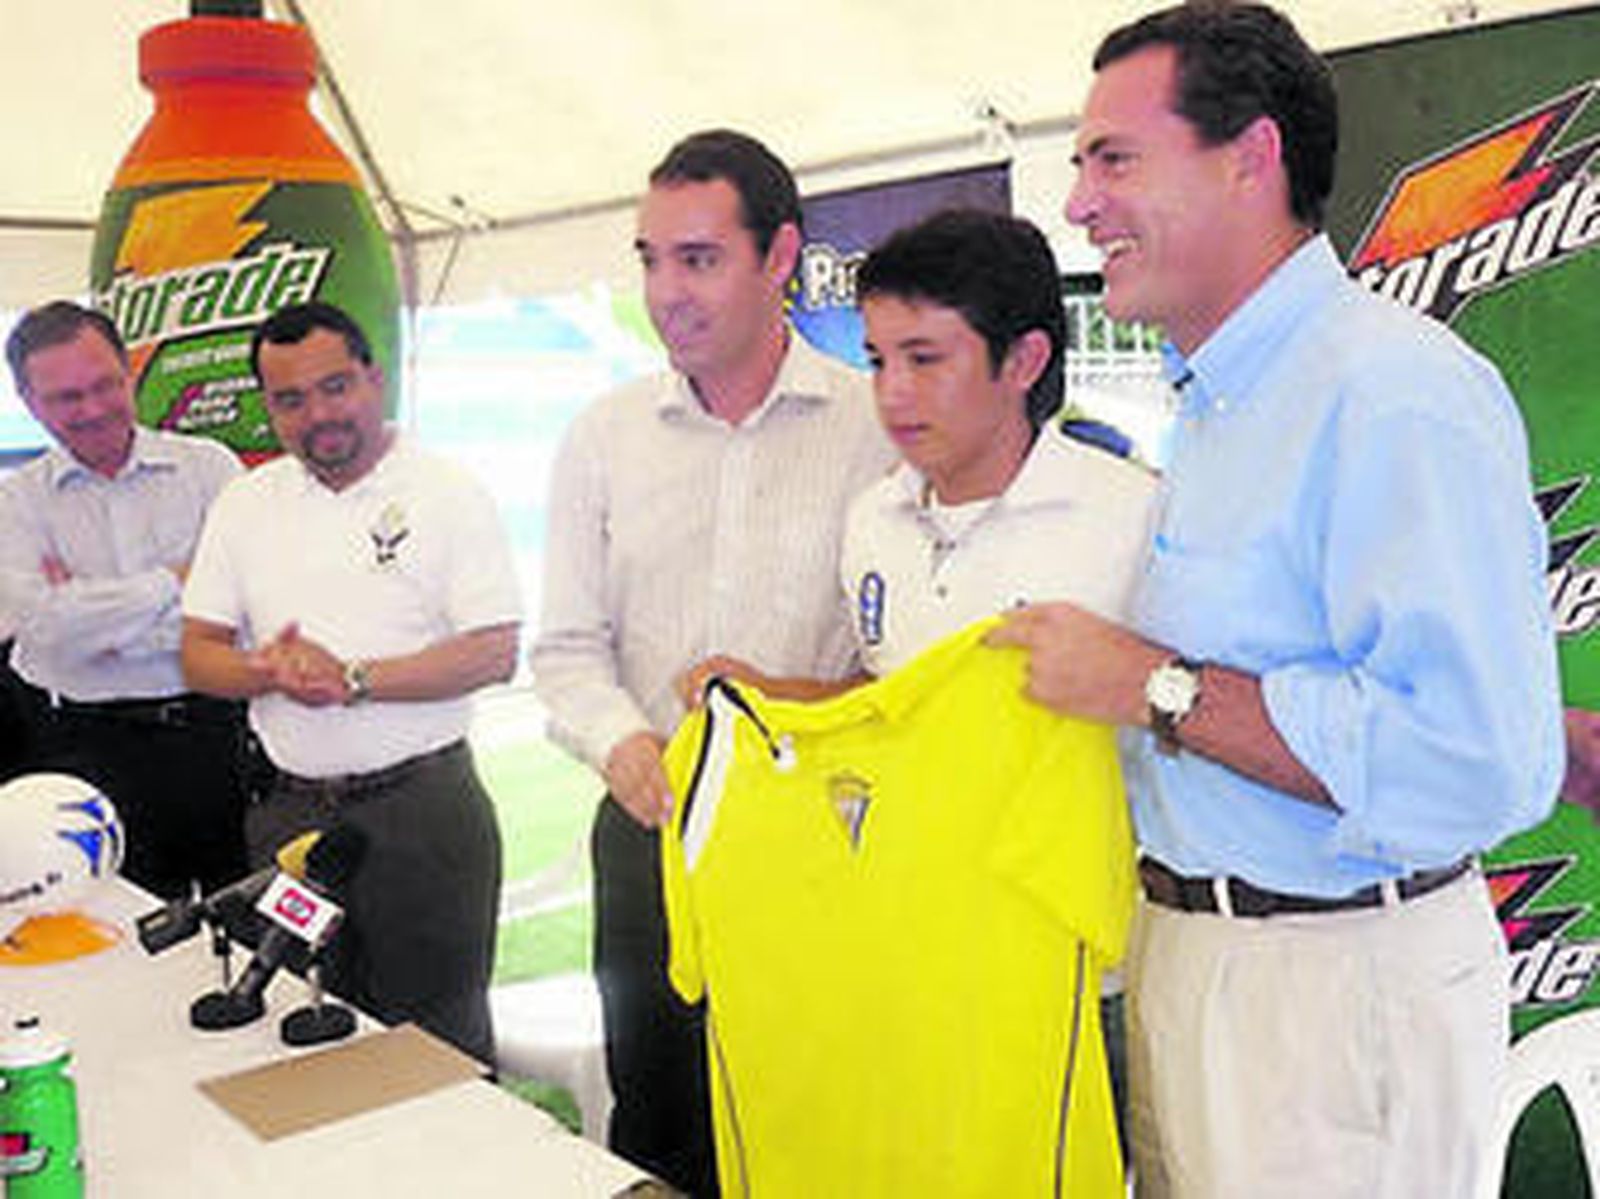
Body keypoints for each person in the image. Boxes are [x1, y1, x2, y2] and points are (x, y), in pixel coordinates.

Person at [988, 5, 1564, 1197]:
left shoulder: (1393, 393)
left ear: (1250, 157)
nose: (1079, 204)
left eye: (1113, 158)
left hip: (1336, 991)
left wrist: (1151, 686)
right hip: (1203, 962)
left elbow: (1475, 759)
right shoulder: (1219, 402)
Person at [679, 206, 1158, 1167]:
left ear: (1023, 361)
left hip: (1077, 970)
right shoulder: (875, 519)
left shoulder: (1134, 517)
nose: (890, 392)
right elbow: (892, 692)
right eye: (876, 357)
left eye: (925, 358)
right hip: (911, 957)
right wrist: (774, 693)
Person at [530, 129, 894, 1193]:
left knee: (821, 1113)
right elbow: (564, 648)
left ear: (781, 255)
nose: (664, 291)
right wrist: (623, 743)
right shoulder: (602, 435)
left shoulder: (878, 426)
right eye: (649, 259)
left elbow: (908, 663)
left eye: (697, 258)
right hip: (649, 835)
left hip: (822, 839)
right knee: (661, 1121)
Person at [180, 301, 520, 1064]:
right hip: (289, 823)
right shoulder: (244, 503)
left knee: (437, 1054)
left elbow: (495, 651)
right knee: (305, 1042)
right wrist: (263, 670)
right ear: (267, 406)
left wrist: (354, 680)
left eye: (336, 387)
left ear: (374, 377)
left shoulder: (445, 490)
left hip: (421, 817)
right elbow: (198, 654)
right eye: (290, 399)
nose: (318, 414)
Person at [0, 301, 247, 896]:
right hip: (83, 750)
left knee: (236, 928)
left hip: (212, 739)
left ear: (130, 371)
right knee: (112, 931)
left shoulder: (210, 469)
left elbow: (241, 613)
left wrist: (90, 614)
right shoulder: (15, 503)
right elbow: (48, 630)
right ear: (28, 402)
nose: (91, 409)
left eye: (104, 385)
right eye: (65, 397)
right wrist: (176, 582)